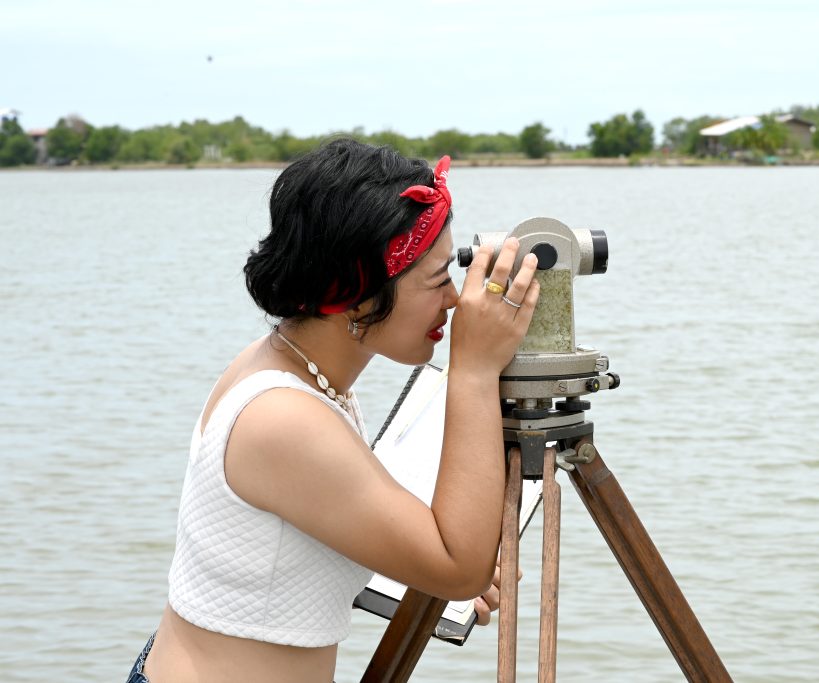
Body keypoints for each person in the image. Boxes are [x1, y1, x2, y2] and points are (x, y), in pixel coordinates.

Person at [126, 138, 541, 683]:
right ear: (358, 295)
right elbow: (460, 568)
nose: (455, 301)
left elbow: (298, 547)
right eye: (439, 279)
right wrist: (475, 369)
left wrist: (422, 563)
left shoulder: (299, 371)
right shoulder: (282, 416)